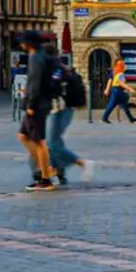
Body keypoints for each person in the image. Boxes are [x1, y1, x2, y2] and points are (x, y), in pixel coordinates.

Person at [45, 53, 95, 186]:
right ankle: (58, 172)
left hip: (57, 109)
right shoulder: (62, 69)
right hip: (64, 109)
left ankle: (82, 163)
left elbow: (52, 88)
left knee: (51, 143)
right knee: (55, 142)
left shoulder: (55, 70)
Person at [18, 31, 58, 190]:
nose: (21, 45)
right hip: (42, 102)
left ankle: (46, 176)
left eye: (22, 42)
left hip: (37, 105)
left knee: (38, 141)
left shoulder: (36, 58)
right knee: (23, 136)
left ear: (28, 43)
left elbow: (35, 84)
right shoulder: (42, 56)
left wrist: (31, 105)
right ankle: (46, 169)